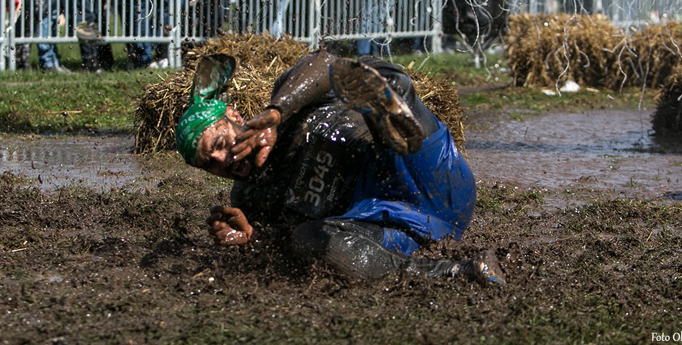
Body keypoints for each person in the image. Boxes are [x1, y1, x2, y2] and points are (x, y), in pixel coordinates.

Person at [175, 51, 505, 284]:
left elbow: (323, 63)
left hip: (431, 178)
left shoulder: (290, 101)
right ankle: (460, 271)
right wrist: (251, 239)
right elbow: (283, 257)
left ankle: (385, 105)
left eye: (220, 144)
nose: (224, 161)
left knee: (366, 72)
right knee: (307, 238)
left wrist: (277, 112)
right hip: (404, 235)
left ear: (234, 115)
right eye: (210, 165)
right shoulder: (248, 199)